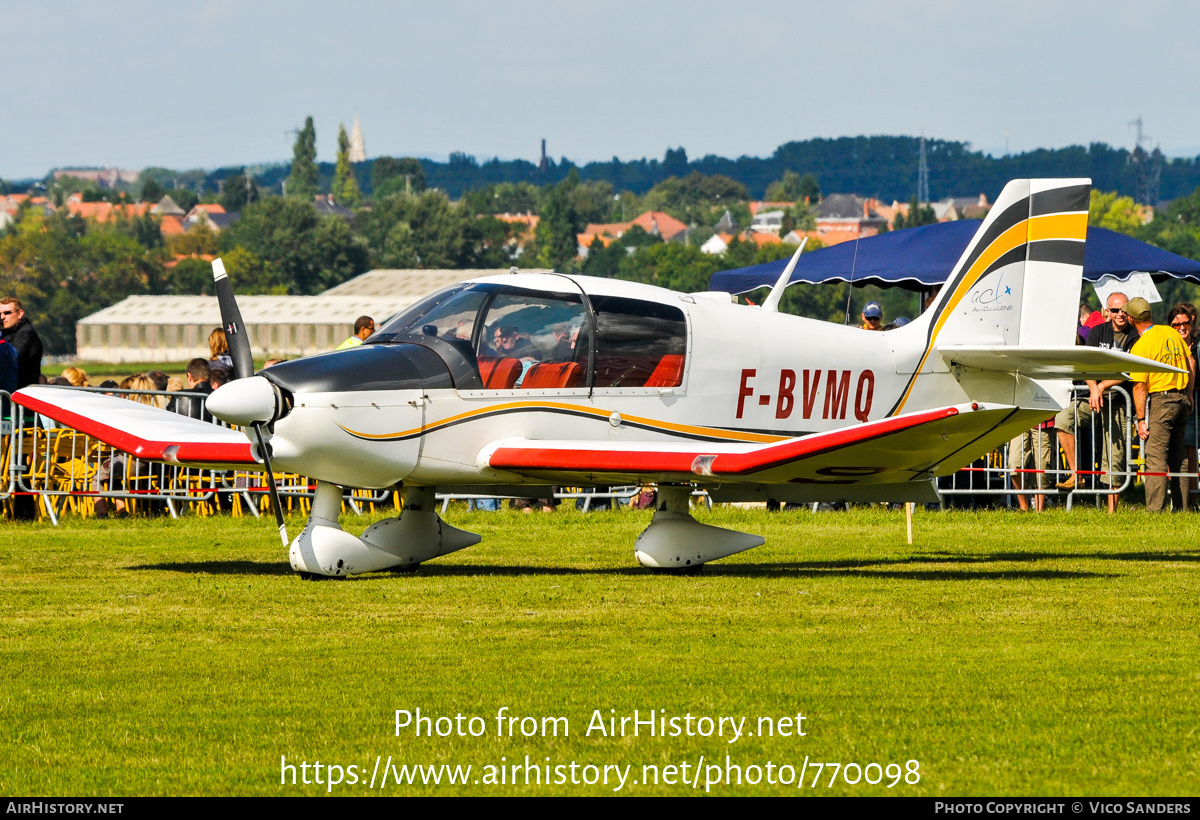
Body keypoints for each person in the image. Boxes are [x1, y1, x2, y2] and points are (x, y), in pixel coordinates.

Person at [1056, 292, 1139, 511]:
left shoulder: (1135, 335)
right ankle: (1076, 475)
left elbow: (1131, 369)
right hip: (1092, 395)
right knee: (1064, 419)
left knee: (1115, 453)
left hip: (1119, 399)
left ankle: (1112, 510)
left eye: (1123, 310)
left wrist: (1102, 386)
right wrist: (1093, 386)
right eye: (1114, 310)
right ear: (1107, 312)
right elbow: (1086, 364)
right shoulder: (1096, 332)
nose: (1120, 314)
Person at [1126, 297, 1195, 511]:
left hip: (1162, 401)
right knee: (1179, 457)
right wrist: (1189, 393)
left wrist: (1140, 420)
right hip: (1182, 399)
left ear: (1130, 319)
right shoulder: (1171, 332)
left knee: (1156, 456)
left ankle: (1155, 509)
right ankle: (1183, 507)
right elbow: (1190, 361)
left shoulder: (1141, 346)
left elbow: (1139, 387)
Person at [1166, 304, 1200, 509]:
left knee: (1190, 452)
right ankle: (1182, 500)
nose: (1181, 327)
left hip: (1194, 404)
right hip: (1176, 403)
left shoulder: (1197, 346)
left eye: (1185, 323)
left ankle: (1192, 500)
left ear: (1191, 322)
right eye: (1176, 324)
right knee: (1180, 453)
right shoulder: (1168, 346)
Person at [0, 297, 43, 389]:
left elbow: (11, 357)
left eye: (7, 313)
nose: (2, 317)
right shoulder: (5, 333)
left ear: (19, 314)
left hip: (23, 394)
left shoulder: (26, 332)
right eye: (0, 314)